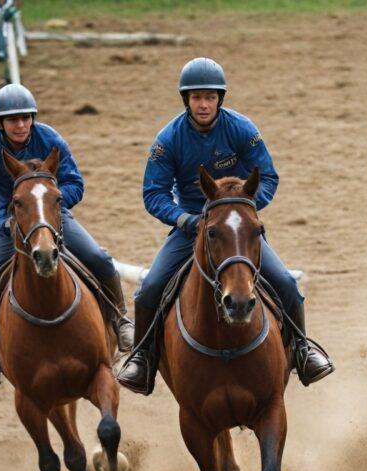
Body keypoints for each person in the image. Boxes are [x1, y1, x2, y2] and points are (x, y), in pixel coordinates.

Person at [117, 57, 334, 395]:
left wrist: (242, 210)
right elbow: (153, 194)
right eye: (196, 97)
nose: (203, 104)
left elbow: (269, 177)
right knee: (150, 289)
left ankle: (304, 349)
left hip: (236, 224)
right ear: (186, 100)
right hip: (191, 225)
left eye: (210, 97)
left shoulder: (243, 129)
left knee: (286, 286)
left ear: (220, 98)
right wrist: (185, 219)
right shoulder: (168, 139)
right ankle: (142, 358)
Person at [0, 83, 134, 387]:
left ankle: (120, 320)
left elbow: (74, 183)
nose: (20, 125)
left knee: (99, 258)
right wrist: (5, 223)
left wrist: (47, 205)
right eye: (13, 119)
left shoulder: (52, 139)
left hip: (54, 216)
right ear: (0, 123)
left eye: (26, 118)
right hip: (13, 223)